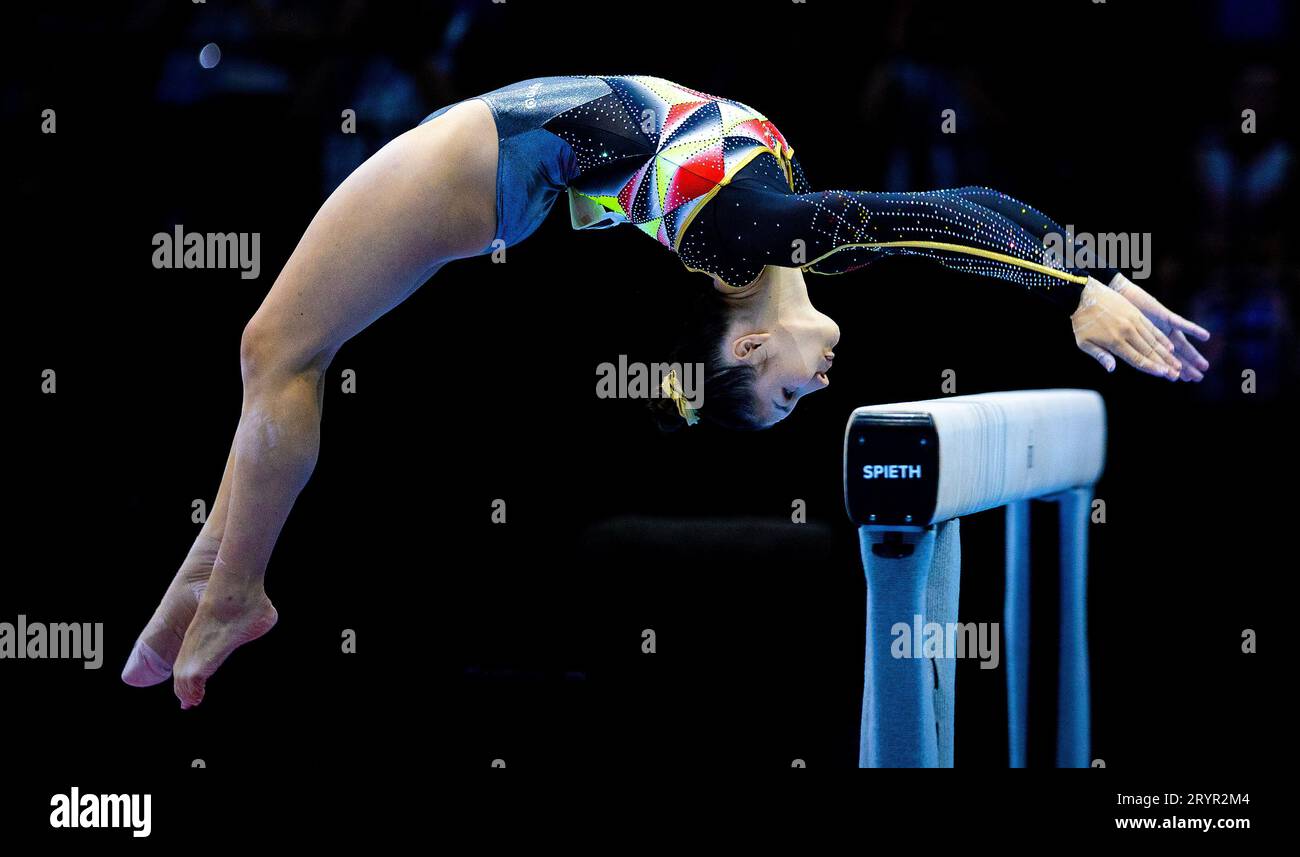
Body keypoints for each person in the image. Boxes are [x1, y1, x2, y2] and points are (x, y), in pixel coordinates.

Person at [122, 74, 1210, 707]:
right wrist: (1078, 277)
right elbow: (955, 204)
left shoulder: (752, 234)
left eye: (785, 402)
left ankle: (233, 584)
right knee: (274, 352)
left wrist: (1066, 288)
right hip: (489, 158)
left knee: (276, 350)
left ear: (745, 354)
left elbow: (916, 220)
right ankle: (213, 578)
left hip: (473, 162)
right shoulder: (780, 233)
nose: (811, 393)